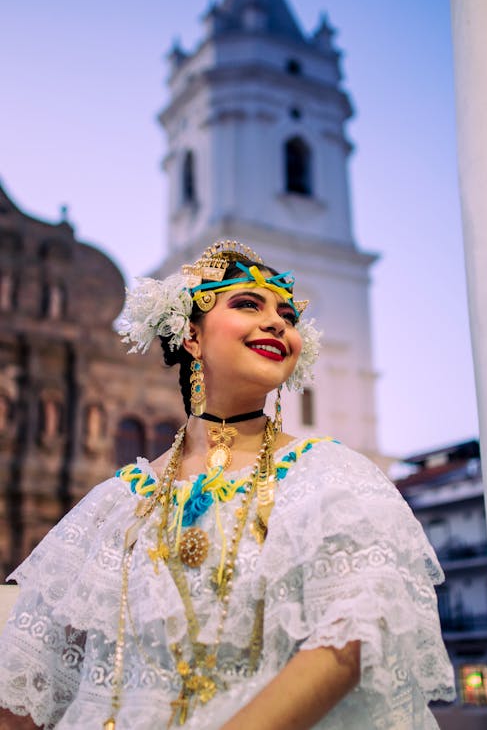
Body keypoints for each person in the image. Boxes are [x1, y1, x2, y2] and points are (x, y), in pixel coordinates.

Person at [0, 240, 455, 729]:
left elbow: (349, 641)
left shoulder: (333, 477)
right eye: (247, 304)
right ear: (191, 337)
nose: (278, 322)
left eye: (287, 314)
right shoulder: (114, 504)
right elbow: (29, 685)